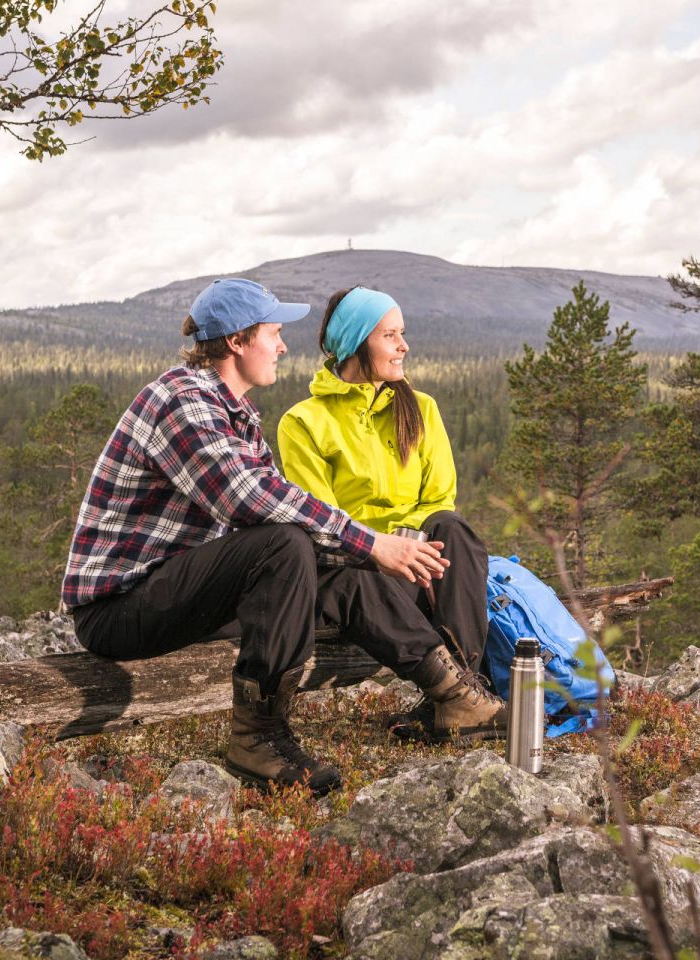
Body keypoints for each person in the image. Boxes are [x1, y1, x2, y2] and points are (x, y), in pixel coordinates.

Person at [61, 279, 505, 797]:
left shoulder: (236, 414)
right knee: (287, 541)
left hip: (184, 593)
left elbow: (285, 513)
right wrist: (376, 546)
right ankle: (259, 737)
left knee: (317, 554)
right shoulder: (182, 402)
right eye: (274, 333)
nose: (284, 345)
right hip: (120, 607)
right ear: (237, 341)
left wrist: (359, 552)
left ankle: (452, 692)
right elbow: (251, 499)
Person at [278, 286, 492, 680]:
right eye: (390, 335)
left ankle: (465, 684)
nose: (404, 346)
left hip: (418, 563)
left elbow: (440, 498)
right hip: (359, 571)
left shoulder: (421, 408)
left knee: (454, 529)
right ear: (356, 343)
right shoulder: (303, 422)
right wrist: (382, 549)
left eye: (402, 333)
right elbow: (320, 521)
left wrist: (408, 545)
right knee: (353, 578)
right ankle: (458, 695)